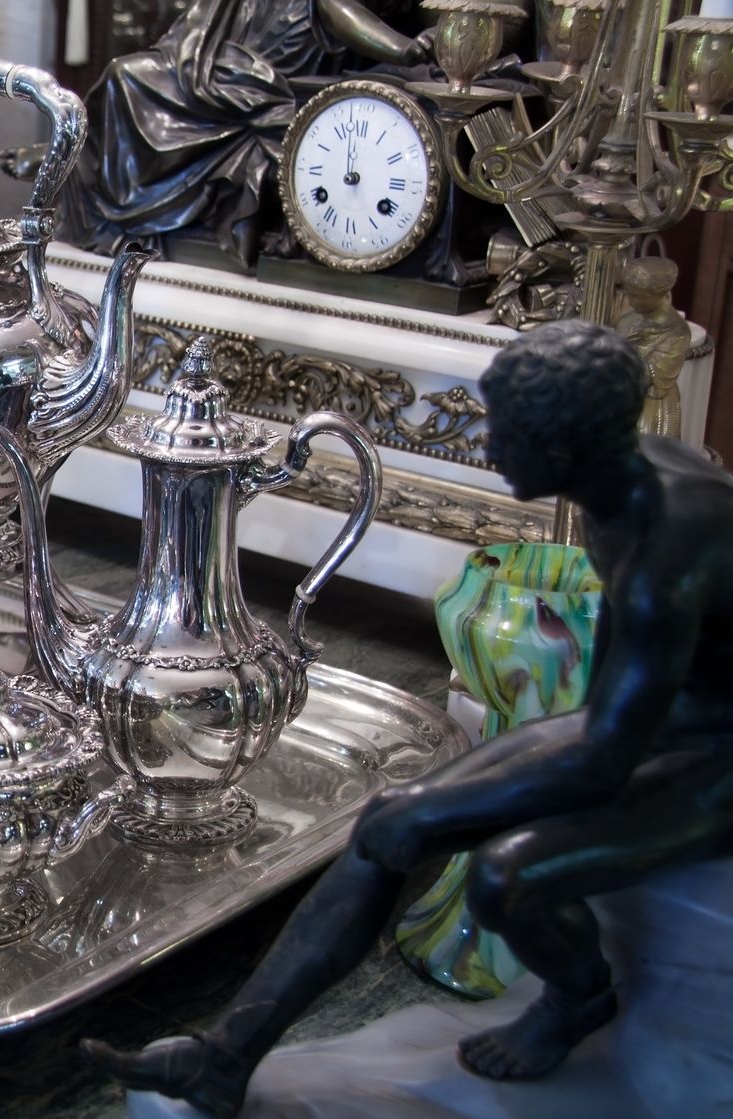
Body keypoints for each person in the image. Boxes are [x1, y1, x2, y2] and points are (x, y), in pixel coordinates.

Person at [82, 319, 733, 1117]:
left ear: (568, 446)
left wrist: (445, 812)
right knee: (389, 820)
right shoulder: (621, 487)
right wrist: (419, 813)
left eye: (509, 432)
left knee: (506, 874)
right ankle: (227, 1057)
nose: (490, 448)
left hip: (716, 757)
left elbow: (602, 760)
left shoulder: (667, 554)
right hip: (652, 723)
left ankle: (580, 995)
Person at [4, 0, 435, 267]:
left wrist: (403, 50)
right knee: (123, 77)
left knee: (128, 80)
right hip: (227, 63)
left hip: (266, 80)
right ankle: (80, 161)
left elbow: (343, 13)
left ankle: (75, 161)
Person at [615, 257, 691, 439]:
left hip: (648, 407)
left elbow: (651, 376)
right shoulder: (628, 319)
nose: (630, 302)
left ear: (659, 295)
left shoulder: (677, 332)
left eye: (637, 296)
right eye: (629, 294)